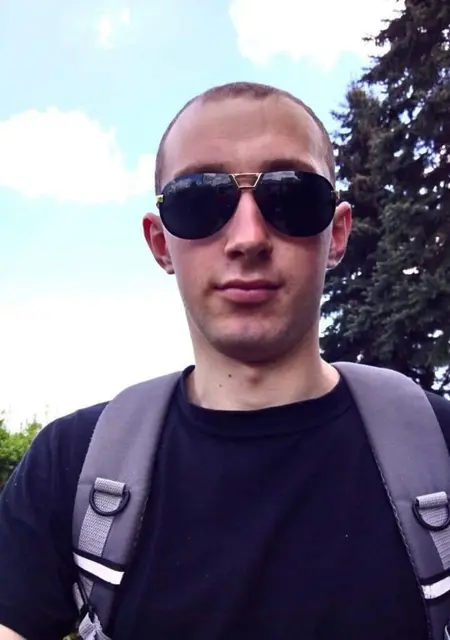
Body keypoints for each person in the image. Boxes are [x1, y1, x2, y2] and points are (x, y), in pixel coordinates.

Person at [0, 81, 449, 640]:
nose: (248, 237)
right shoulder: (69, 466)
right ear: (161, 243)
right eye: (199, 200)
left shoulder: (439, 448)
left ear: (336, 235)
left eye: (290, 196)